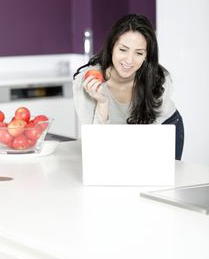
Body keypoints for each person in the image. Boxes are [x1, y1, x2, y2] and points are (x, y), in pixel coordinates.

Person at [73, 13, 184, 160]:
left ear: (146, 56)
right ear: (112, 47)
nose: (129, 60)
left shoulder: (159, 79)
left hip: (163, 127)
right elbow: (95, 144)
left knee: (159, 179)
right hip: (114, 138)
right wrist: (102, 103)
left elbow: (145, 143)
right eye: (123, 50)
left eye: (139, 53)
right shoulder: (86, 81)